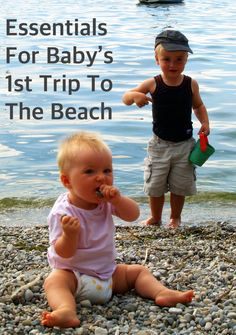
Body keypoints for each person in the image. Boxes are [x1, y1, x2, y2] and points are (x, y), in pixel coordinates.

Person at [41, 131, 194, 328]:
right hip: (75, 277)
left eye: (107, 171)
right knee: (55, 281)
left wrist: (118, 200)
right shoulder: (62, 212)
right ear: (67, 181)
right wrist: (70, 235)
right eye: (89, 172)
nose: (101, 178)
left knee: (138, 272)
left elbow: (133, 215)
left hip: (108, 276)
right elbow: (63, 252)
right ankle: (66, 309)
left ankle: (161, 292)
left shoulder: (105, 202)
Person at [122, 30, 210, 229]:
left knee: (180, 185)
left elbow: (198, 106)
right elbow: (126, 97)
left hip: (185, 145)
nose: (172, 64)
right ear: (156, 59)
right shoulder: (154, 83)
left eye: (179, 59)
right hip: (159, 145)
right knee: (156, 185)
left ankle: (175, 218)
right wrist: (135, 96)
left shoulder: (190, 84)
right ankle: (155, 217)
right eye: (166, 59)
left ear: (186, 60)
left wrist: (205, 122)